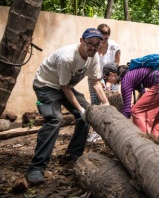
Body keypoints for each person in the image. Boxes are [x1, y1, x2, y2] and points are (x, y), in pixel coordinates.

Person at [27, 28, 110, 184]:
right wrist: (80, 109)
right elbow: (64, 87)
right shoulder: (67, 58)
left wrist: (106, 104)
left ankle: (73, 155)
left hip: (64, 86)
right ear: (81, 41)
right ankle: (36, 168)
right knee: (54, 119)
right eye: (89, 43)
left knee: (88, 114)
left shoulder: (94, 57)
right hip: (46, 86)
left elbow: (96, 82)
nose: (93, 47)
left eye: (97, 44)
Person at [102, 62, 159, 138]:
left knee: (136, 111)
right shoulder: (131, 72)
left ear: (112, 74)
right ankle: (154, 140)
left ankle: (144, 140)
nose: (108, 82)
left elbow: (127, 110)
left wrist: (119, 126)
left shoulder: (125, 80)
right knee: (158, 116)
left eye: (106, 78)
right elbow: (143, 92)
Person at [87, 23, 120, 142]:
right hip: (94, 77)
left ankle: (113, 130)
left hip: (111, 78)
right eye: (102, 37)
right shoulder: (93, 46)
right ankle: (96, 131)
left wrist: (109, 83)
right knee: (96, 104)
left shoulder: (114, 47)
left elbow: (116, 66)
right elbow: (89, 66)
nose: (104, 40)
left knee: (112, 103)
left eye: (107, 37)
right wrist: (98, 81)